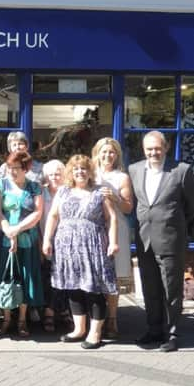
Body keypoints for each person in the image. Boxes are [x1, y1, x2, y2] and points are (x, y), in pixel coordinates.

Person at [43, 155, 118, 350]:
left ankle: (95, 332)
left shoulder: (100, 192)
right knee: (73, 288)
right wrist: (46, 239)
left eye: (84, 169)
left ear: (90, 171)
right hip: (66, 246)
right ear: (71, 172)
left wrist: (114, 242)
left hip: (92, 247)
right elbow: (53, 216)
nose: (80, 172)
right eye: (76, 169)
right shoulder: (63, 191)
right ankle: (79, 329)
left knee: (93, 289)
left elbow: (112, 218)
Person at [128, 131, 194, 352]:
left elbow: (190, 206)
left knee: (171, 291)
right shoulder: (134, 169)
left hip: (170, 239)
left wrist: (176, 227)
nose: (153, 153)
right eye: (149, 149)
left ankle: (172, 333)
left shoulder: (181, 170)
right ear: (143, 150)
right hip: (144, 239)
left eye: (157, 148)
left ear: (166, 148)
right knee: (150, 288)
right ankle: (154, 329)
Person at [0, 151, 43, 338]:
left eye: (16, 168)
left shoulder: (34, 187)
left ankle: (22, 319)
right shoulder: (1, 185)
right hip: (5, 240)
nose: (12, 172)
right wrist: (9, 231)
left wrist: (17, 230)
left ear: (26, 168)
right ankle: (6, 318)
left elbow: (37, 214)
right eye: (10, 168)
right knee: (6, 278)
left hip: (27, 240)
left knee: (25, 278)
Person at [92, 137, 134, 339]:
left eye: (111, 152)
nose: (107, 155)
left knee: (114, 275)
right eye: (104, 151)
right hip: (94, 229)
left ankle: (113, 319)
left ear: (117, 155)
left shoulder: (122, 177)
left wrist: (115, 196)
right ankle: (95, 319)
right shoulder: (90, 173)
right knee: (95, 274)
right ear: (97, 153)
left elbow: (128, 207)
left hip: (117, 229)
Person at [39, 159, 71, 332]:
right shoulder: (41, 193)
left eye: (58, 174)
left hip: (65, 242)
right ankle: (53, 311)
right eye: (51, 174)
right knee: (48, 277)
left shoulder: (68, 192)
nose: (54, 178)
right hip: (45, 240)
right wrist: (41, 241)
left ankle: (58, 310)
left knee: (63, 277)